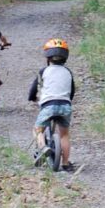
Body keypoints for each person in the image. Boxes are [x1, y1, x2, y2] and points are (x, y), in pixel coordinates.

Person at [28, 37, 76, 171]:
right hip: (65, 105)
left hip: (48, 106)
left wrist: (32, 97)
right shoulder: (68, 72)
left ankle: (43, 147)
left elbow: (34, 88)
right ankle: (66, 163)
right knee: (64, 134)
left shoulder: (43, 71)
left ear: (47, 57)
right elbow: (72, 90)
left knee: (37, 130)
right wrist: (68, 99)